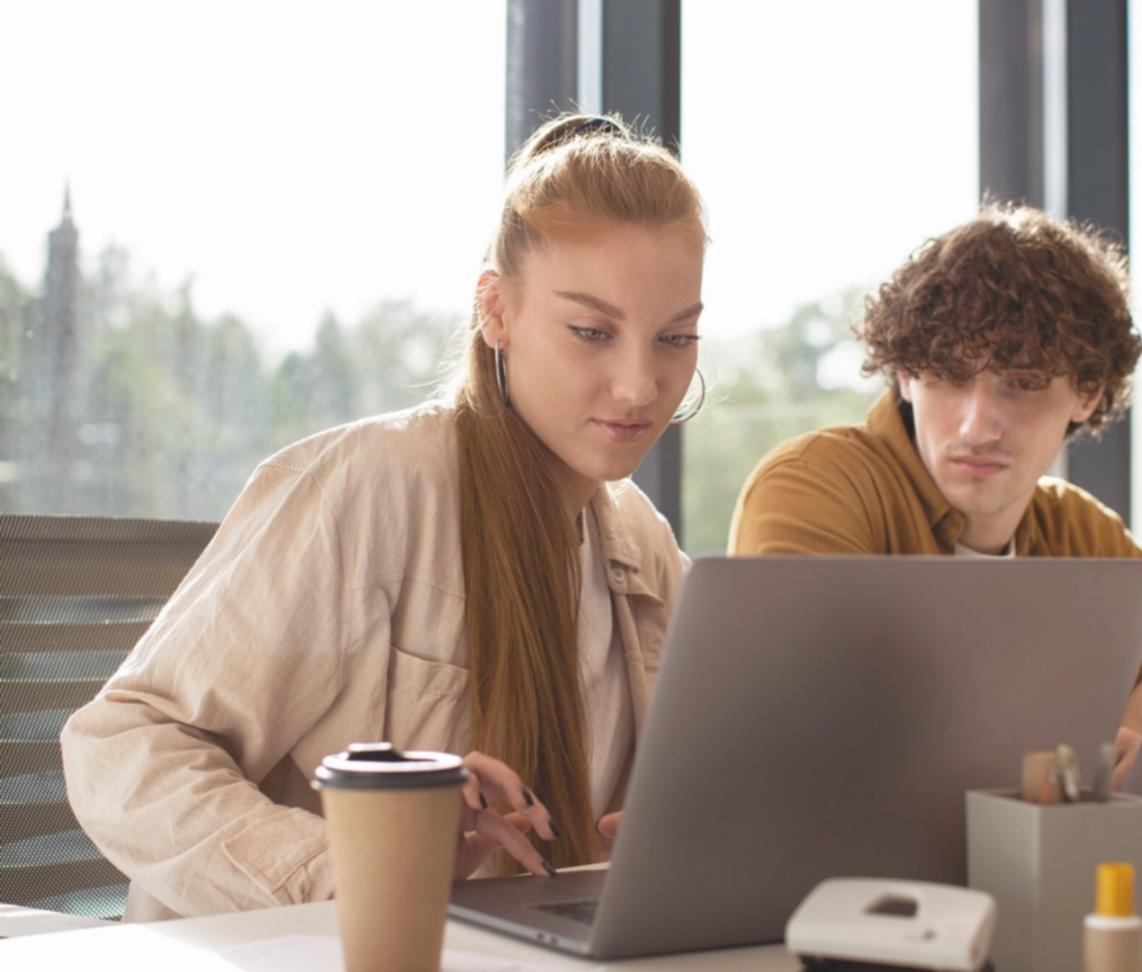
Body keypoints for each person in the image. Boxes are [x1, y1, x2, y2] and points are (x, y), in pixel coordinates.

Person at [61, 113, 708, 919]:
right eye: (590, 331)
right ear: (497, 311)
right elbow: (121, 748)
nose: (639, 385)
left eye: (675, 338)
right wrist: (357, 873)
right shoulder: (368, 489)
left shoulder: (641, 545)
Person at [729, 204, 1142, 784]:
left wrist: (1135, 746)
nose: (977, 426)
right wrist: (1067, 756)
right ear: (904, 375)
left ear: (1087, 393)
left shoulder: (1081, 529)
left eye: (1021, 383)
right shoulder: (815, 484)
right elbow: (813, 719)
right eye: (948, 376)